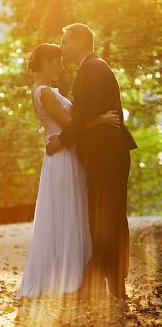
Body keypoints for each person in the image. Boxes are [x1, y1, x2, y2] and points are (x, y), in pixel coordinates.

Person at [16, 42, 120, 300]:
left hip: (66, 155)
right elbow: (70, 126)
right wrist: (101, 120)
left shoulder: (49, 91)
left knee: (73, 213)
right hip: (62, 158)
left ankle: (75, 276)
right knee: (67, 214)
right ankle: (65, 278)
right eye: (57, 62)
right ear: (46, 62)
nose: (62, 67)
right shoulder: (44, 93)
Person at [46, 24, 137, 299]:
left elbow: (82, 115)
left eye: (64, 41)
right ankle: (109, 281)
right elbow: (88, 115)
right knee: (105, 215)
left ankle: (105, 280)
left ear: (78, 43)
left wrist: (62, 140)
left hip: (108, 153)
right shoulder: (92, 68)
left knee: (108, 216)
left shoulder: (93, 68)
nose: (61, 47)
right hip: (104, 153)